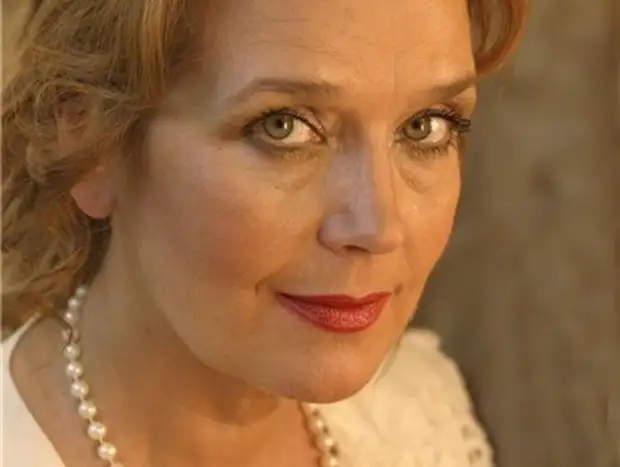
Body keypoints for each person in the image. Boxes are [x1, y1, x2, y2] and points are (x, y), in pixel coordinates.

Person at [1, 0, 526, 465]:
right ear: (90, 143)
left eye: (425, 126)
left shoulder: (419, 414)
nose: (377, 228)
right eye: (284, 127)